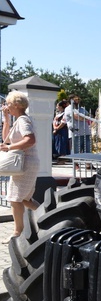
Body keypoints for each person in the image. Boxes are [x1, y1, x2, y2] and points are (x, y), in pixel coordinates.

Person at [1, 91, 40, 242]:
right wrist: (6, 118)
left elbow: (30, 140)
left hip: (25, 164)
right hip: (23, 164)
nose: (6, 106)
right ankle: (48, 217)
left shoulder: (23, 120)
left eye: (8, 104)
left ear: (16, 105)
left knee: (15, 199)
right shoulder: (19, 120)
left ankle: (18, 233)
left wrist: (10, 148)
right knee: (25, 199)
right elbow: (6, 139)